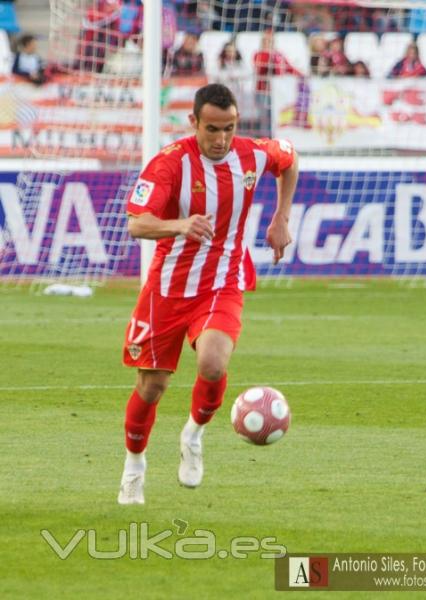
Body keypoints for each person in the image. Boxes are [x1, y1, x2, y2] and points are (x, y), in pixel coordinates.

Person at [118, 83, 299, 504]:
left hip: (222, 282)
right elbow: (136, 223)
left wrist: (280, 218)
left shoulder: (254, 154)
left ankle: (194, 435)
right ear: (193, 122)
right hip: (167, 290)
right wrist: (179, 225)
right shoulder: (169, 164)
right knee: (151, 387)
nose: (221, 139)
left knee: (214, 362)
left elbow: (290, 160)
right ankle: (134, 466)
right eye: (212, 129)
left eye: (229, 128)